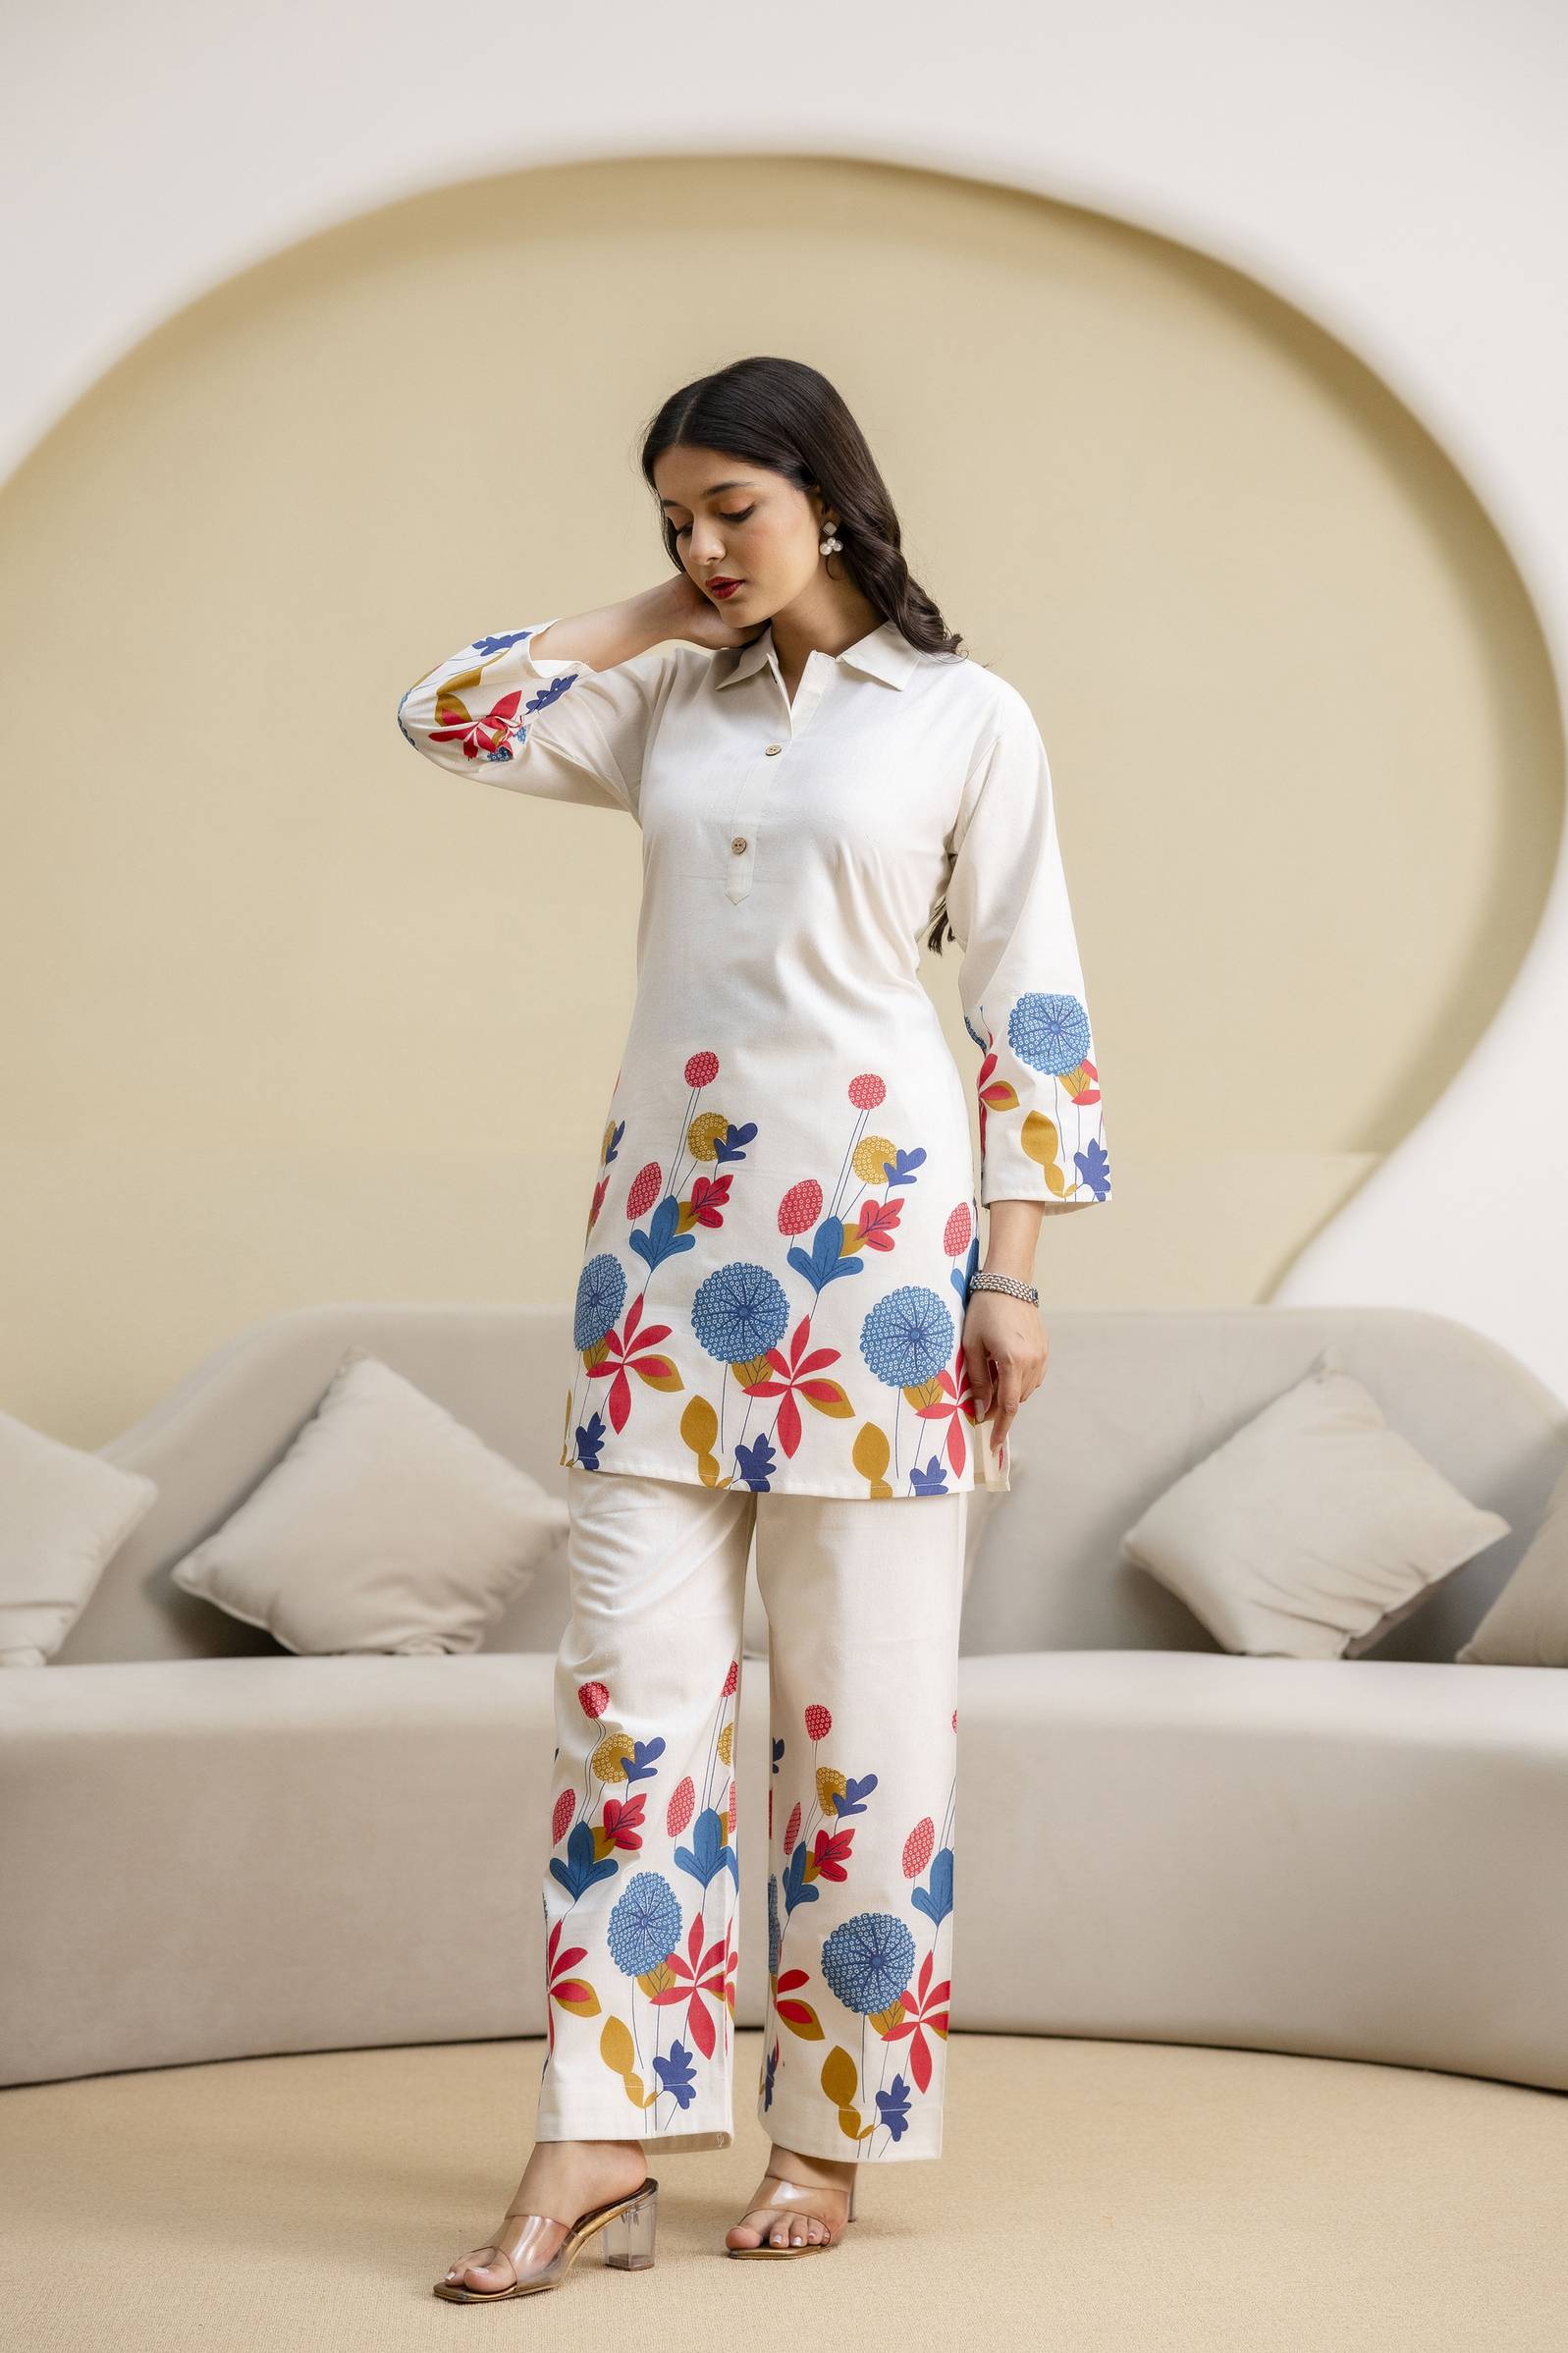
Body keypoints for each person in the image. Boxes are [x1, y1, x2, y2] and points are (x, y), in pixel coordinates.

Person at [397, 355, 1112, 2301]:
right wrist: (666, 603)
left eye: (735, 508)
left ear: (831, 495)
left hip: (880, 1273)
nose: (706, 545)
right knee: (626, 1709)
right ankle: (601, 2134)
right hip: (656, 1267)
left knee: (859, 1714)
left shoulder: (965, 716)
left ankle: (827, 2129)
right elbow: (444, 712)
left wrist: (1012, 1271)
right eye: (675, 516)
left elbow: (1030, 997)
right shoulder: (662, 701)